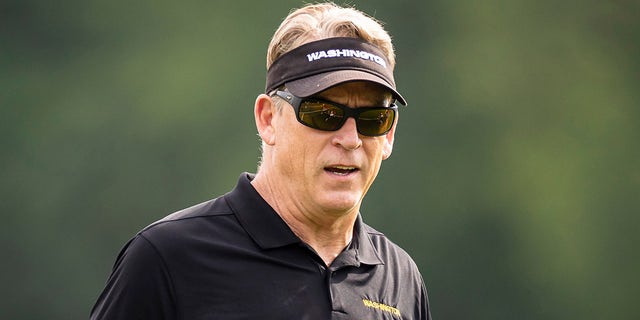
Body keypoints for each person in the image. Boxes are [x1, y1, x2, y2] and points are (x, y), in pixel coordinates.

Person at [91, 2, 431, 319]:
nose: (350, 139)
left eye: (373, 119)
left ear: (388, 135)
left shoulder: (400, 277)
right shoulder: (167, 259)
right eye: (324, 114)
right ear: (268, 119)